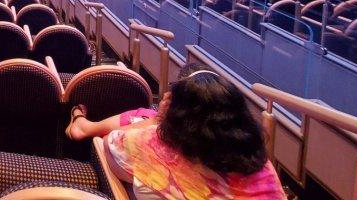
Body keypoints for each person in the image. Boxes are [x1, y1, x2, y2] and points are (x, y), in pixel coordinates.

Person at [65, 64, 285, 199]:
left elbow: (108, 144)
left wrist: (157, 121)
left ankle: (78, 118)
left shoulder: (154, 142)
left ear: (176, 112)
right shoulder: (261, 166)